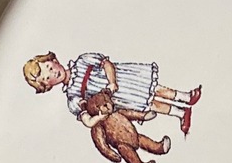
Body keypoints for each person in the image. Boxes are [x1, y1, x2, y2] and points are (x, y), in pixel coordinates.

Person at [22, 51, 201, 135]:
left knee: (155, 88)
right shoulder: (73, 97)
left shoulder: (82, 61)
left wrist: (112, 81)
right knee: (150, 104)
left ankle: (185, 97)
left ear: (53, 60)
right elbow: (87, 120)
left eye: (49, 67)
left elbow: (106, 63)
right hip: (119, 99)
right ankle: (181, 112)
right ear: (48, 86)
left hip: (123, 80)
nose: (52, 73)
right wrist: (99, 117)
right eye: (47, 78)